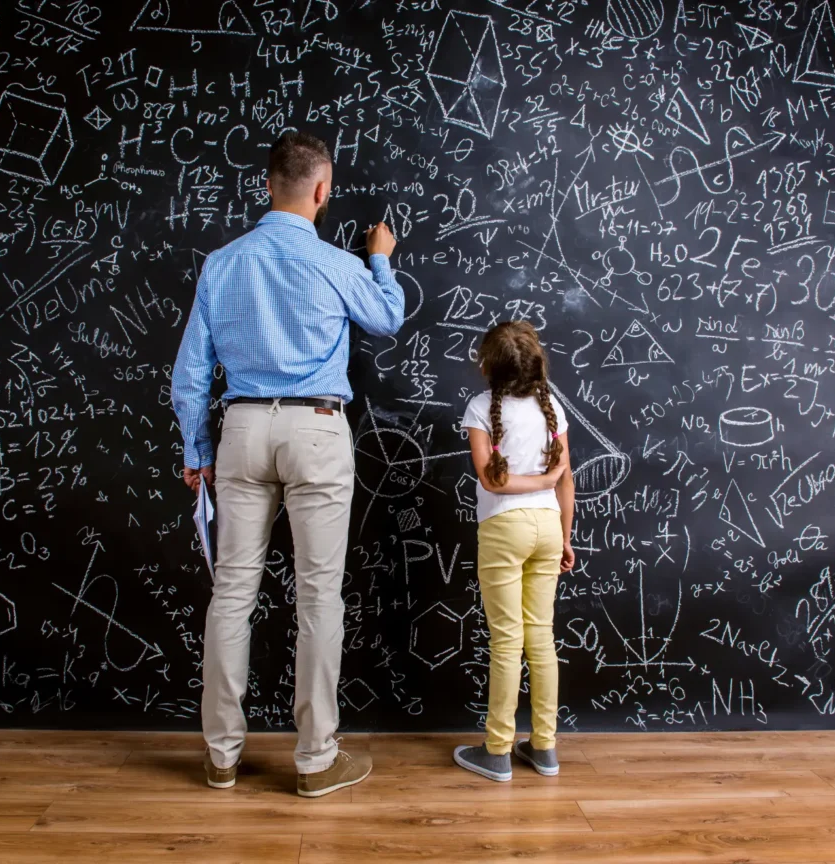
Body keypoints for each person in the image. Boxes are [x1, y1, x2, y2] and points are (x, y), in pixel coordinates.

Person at [171, 130, 404, 797]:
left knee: (233, 594)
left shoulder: (222, 264)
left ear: (268, 183)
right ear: (323, 190)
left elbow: (189, 376)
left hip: (242, 426)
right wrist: (380, 259)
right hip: (316, 428)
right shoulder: (336, 263)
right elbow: (387, 318)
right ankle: (314, 759)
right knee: (317, 597)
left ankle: (220, 757)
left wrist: (198, 450)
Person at [455, 320, 576, 782]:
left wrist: (541, 484)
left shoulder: (481, 407)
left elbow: (491, 480)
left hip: (505, 529)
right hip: (547, 525)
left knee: (507, 640)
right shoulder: (552, 409)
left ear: (488, 365)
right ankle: (544, 747)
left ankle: (498, 750)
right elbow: (566, 480)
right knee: (540, 637)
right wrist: (565, 536)